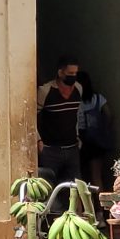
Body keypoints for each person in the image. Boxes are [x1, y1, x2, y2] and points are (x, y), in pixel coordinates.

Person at [37, 55, 83, 187]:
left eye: (75, 73)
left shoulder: (78, 89)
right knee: (47, 188)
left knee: (76, 188)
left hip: (72, 148)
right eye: (70, 73)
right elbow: (32, 116)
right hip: (50, 150)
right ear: (60, 72)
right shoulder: (45, 91)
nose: (73, 76)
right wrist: (38, 140)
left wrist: (78, 136)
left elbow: (76, 115)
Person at [76, 71, 114, 189]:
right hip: (96, 142)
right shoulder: (98, 98)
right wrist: (103, 129)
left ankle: (84, 206)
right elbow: (109, 114)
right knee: (96, 176)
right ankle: (100, 207)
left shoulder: (76, 100)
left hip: (81, 140)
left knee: (79, 177)